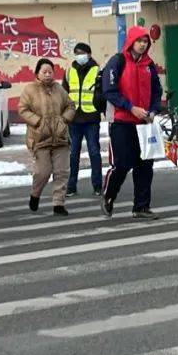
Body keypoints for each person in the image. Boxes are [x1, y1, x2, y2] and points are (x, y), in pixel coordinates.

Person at [101, 26, 163, 220]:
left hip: (144, 123)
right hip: (121, 122)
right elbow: (109, 91)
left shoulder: (149, 65)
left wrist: (153, 110)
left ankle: (141, 207)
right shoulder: (117, 61)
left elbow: (156, 91)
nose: (143, 45)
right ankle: (109, 196)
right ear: (131, 42)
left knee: (145, 165)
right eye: (139, 41)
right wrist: (130, 107)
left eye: (146, 42)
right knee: (121, 164)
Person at [18, 58, 76, 216]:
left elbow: (70, 106)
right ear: (37, 73)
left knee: (62, 171)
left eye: (50, 71)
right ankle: (35, 194)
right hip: (40, 138)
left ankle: (59, 204)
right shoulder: (30, 89)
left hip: (60, 138)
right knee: (43, 172)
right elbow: (22, 109)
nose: (48, 74)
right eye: (44, 72)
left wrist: (64, 119)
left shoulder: (59, 89)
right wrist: (38, 122)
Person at [63, 42, 104, 197]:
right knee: (73, 154)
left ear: (88, 54)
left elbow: (102, 92)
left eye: (82, 53)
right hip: (74, 118)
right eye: (77, 53)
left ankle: (97, 185)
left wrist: (100, 106)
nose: (79, 55)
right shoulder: (69, 71)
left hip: (91, 117)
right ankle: (71, 186)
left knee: (94, 152)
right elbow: (64, 93)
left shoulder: (97, 70)